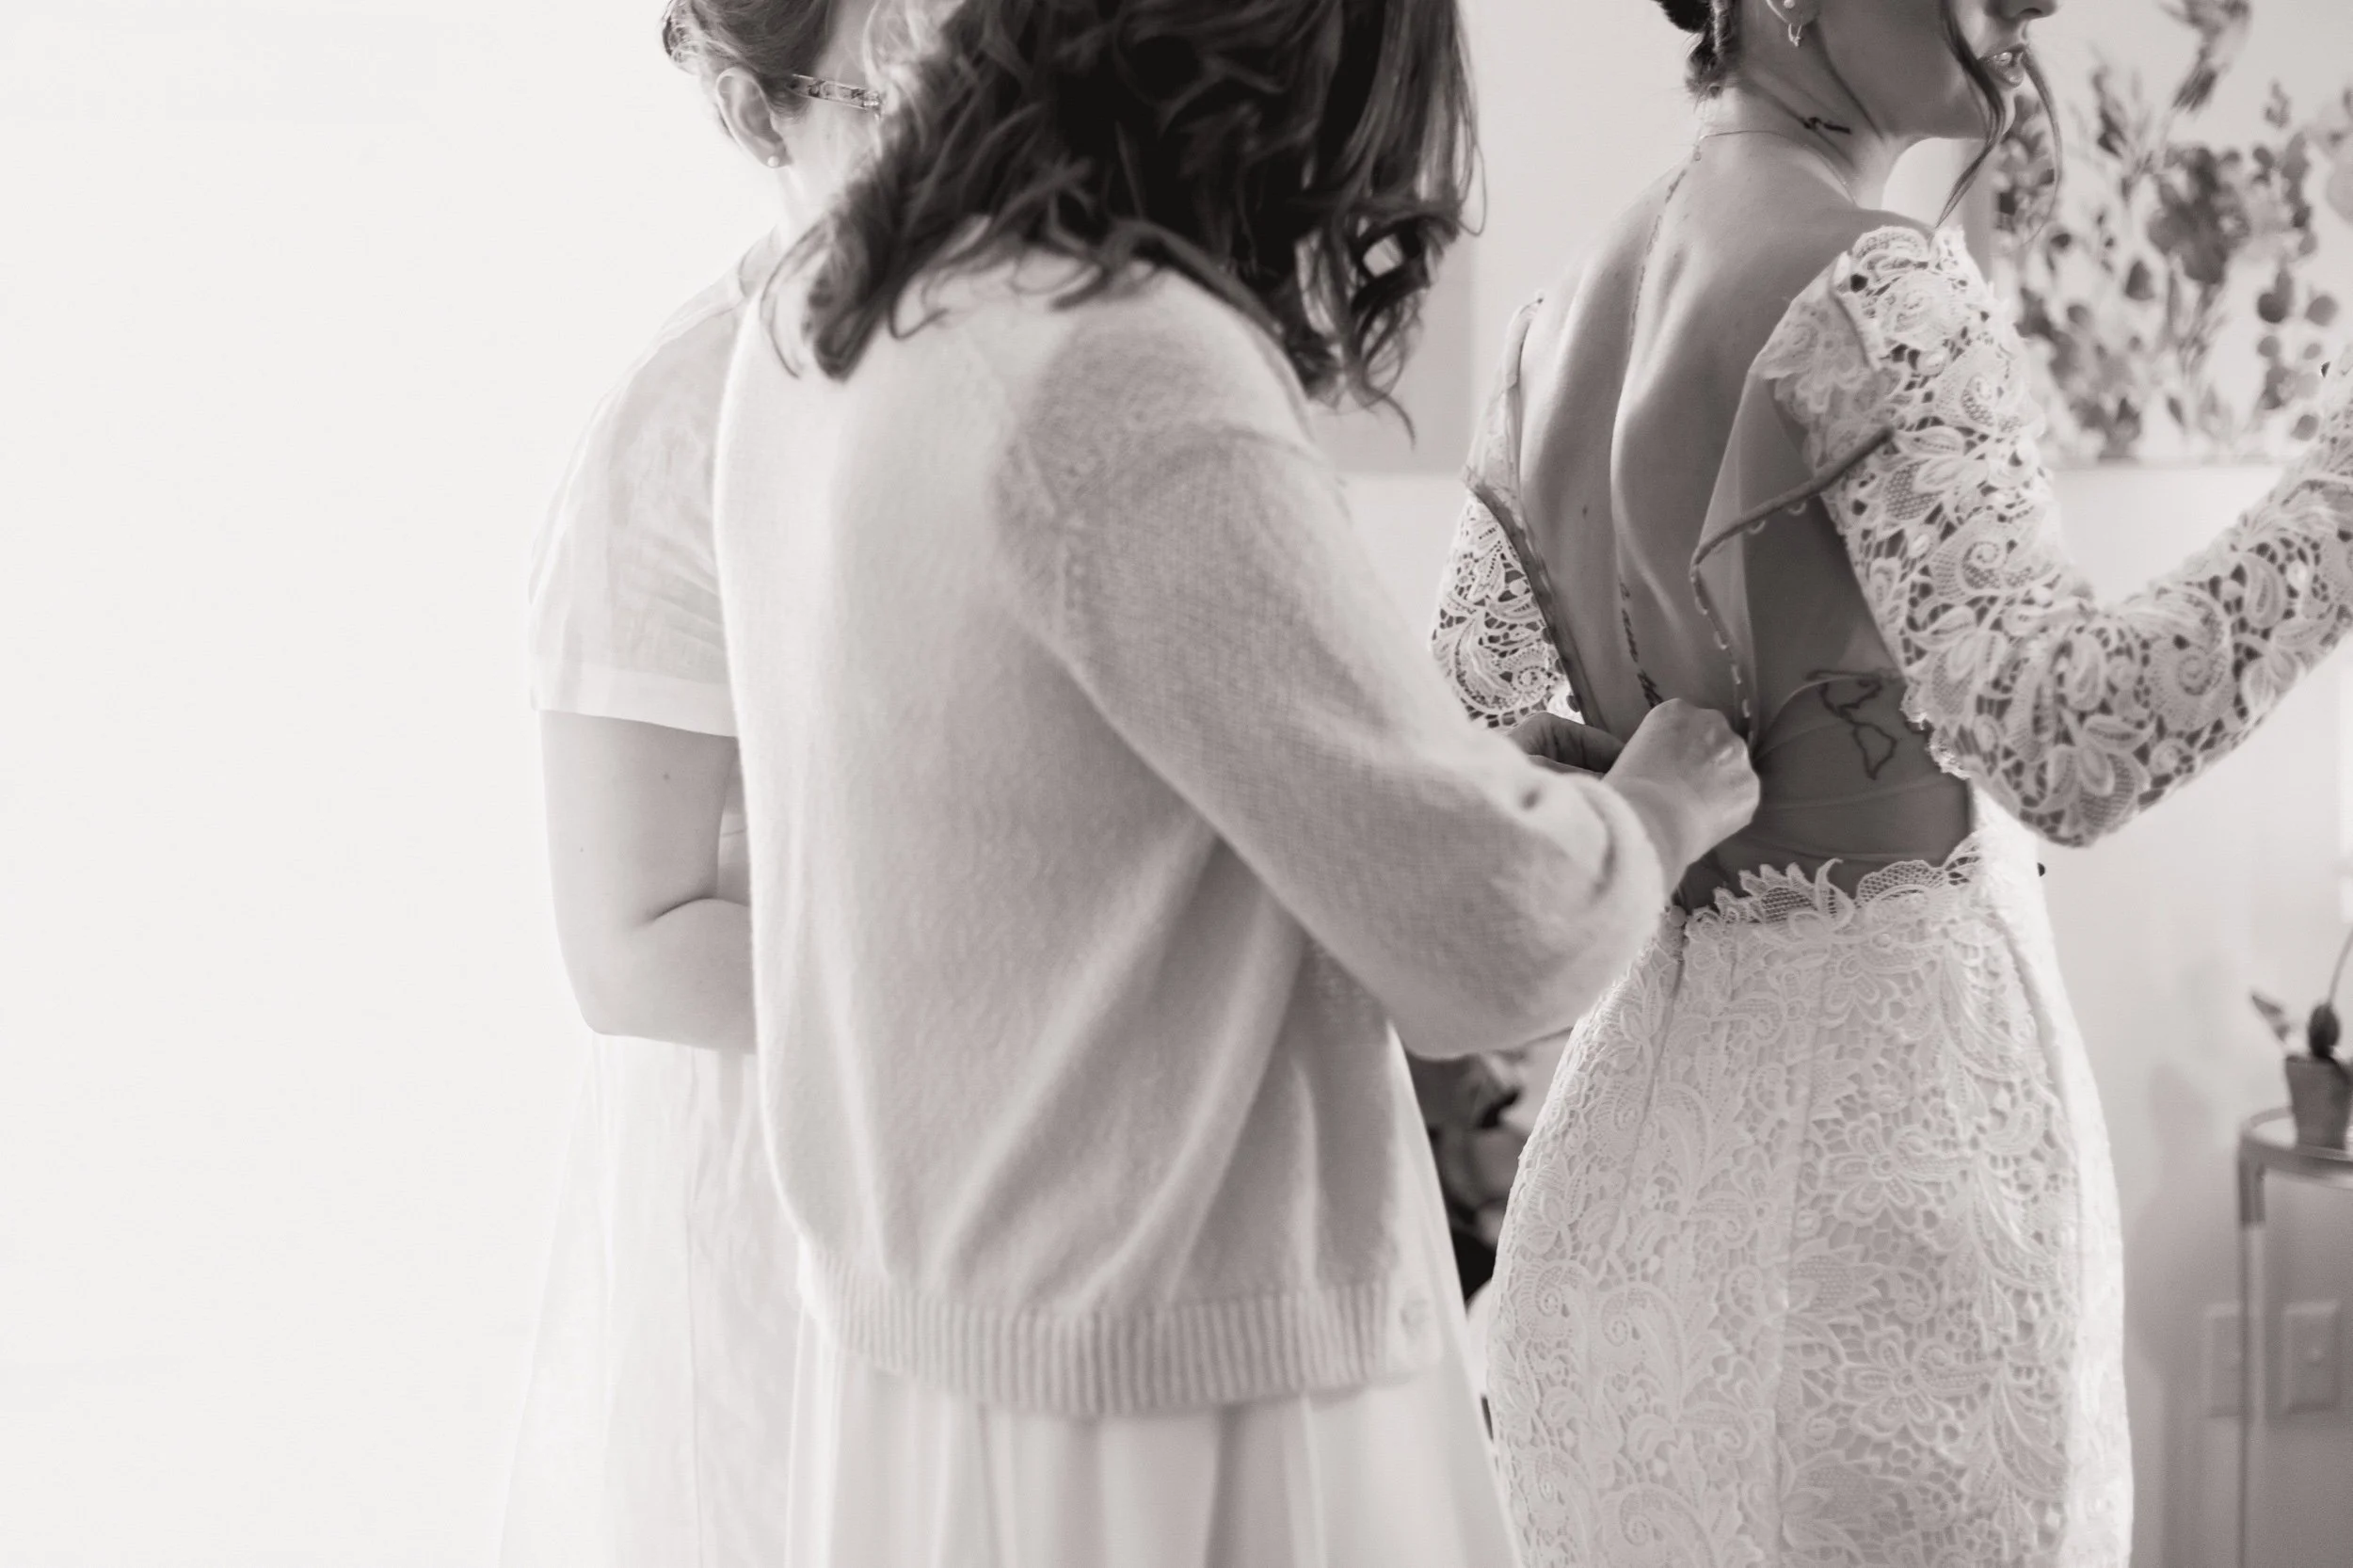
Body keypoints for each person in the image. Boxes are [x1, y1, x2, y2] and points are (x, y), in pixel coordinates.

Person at [704, 0, 1759, 1561]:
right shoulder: (1121, 367)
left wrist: (1449, 783)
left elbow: (1079, 804)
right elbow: (1488, 943)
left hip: (923, 1351)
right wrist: (1655, 810)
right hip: (1171, 1380)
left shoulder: (832, 310)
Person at [1432, 0, 2353, 1560]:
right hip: (1885, 1236)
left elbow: (1476, 728)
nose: (2040, 5)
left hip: (1607, 1252)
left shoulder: (1543, 329)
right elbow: (2072, 737)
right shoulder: (1881, 282)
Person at [500, 3, 925, 1561]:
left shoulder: (1017, 369)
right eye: (884, 94)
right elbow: (626, 941)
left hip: (1005, 1156)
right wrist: (976, 980)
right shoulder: (677, 427)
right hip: (784, 1177)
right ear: (758, 105)